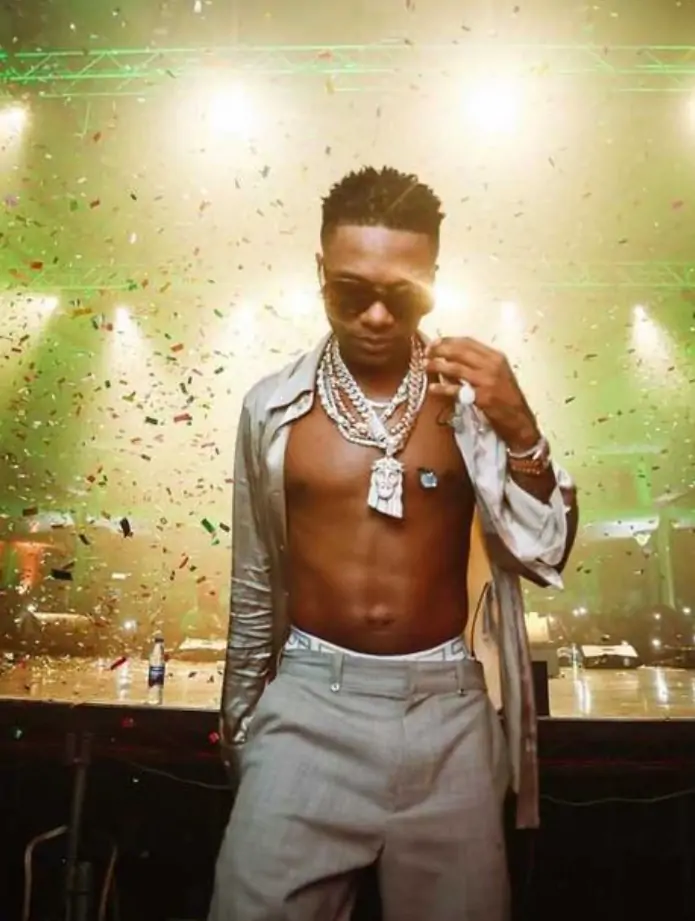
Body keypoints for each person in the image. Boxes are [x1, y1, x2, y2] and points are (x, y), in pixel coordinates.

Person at [209, 166, 578, 921]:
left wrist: (522, 430)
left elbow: (545, 555)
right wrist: (243, 727)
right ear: (319, 271)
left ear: (434, 279)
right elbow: (254, 580)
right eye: (351, 292)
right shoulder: (272, 407)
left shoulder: (471, 404)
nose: (376, 315)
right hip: (308, 705)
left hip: (448, 712)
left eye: (402, 295)